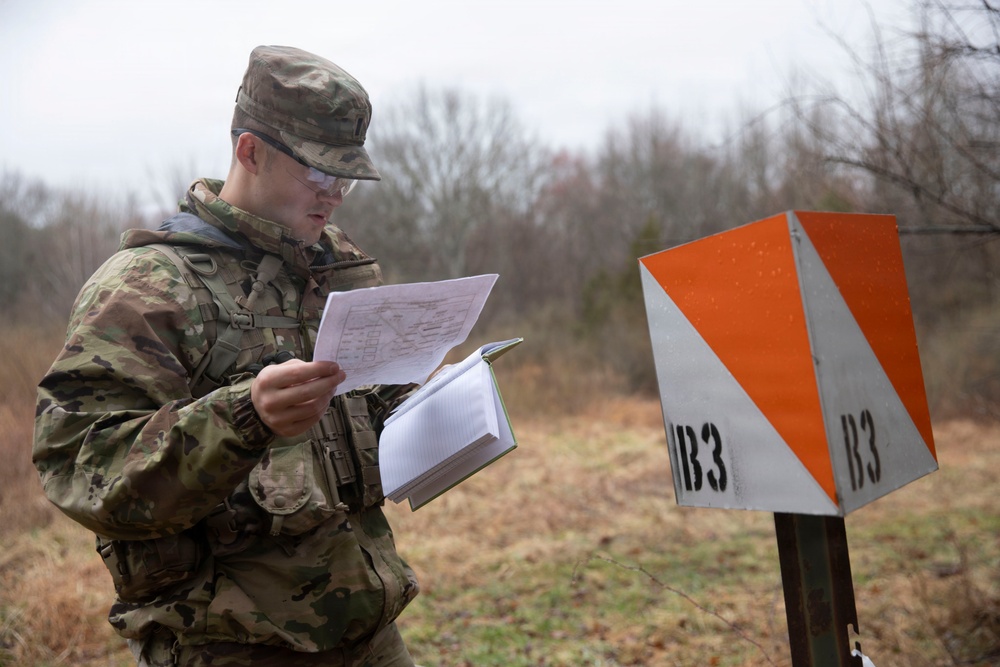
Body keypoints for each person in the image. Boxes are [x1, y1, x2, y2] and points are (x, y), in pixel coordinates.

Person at [32, 45, 421, 667]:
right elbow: (81, 466)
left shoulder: (332, 268)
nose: (334, 197)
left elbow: (366, 421)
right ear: (250, 151)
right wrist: (246, 417)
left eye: (345, 179)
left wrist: (428, 399)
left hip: (367, 634)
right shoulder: (149, 284)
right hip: (223, 645)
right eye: (320, 174)